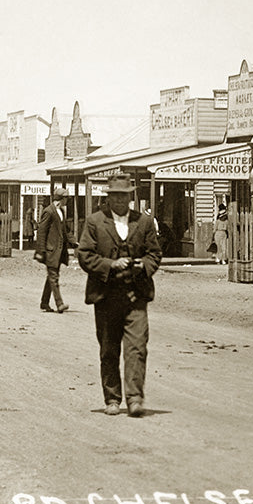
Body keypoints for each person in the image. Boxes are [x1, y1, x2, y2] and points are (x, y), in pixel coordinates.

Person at [76, 173, 162, 418]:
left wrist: (142, 266)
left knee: (137, 348)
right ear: (108, 198)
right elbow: (84, 255)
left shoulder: (144, 223)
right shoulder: (94, 222)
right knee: (109, 348)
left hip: (136, 296)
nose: (120, 201)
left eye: (124, 196)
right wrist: (110, 265)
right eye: (115, 196)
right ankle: (112, 398)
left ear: (130, 196)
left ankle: (134, 398)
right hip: (105, 297)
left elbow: (154, 254)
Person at [34, 186, 74, 313]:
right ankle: (59, 303)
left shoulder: (61, 211)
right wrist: (41, 250)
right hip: (50, 251)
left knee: (51, 277)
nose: (67, 200)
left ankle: (44, 303)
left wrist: (74, 242)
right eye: (66, 198)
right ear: (61, 199)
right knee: (53, 277)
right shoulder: (49, 211)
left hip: (59, 252)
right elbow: (41, 232)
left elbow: (65, 231)